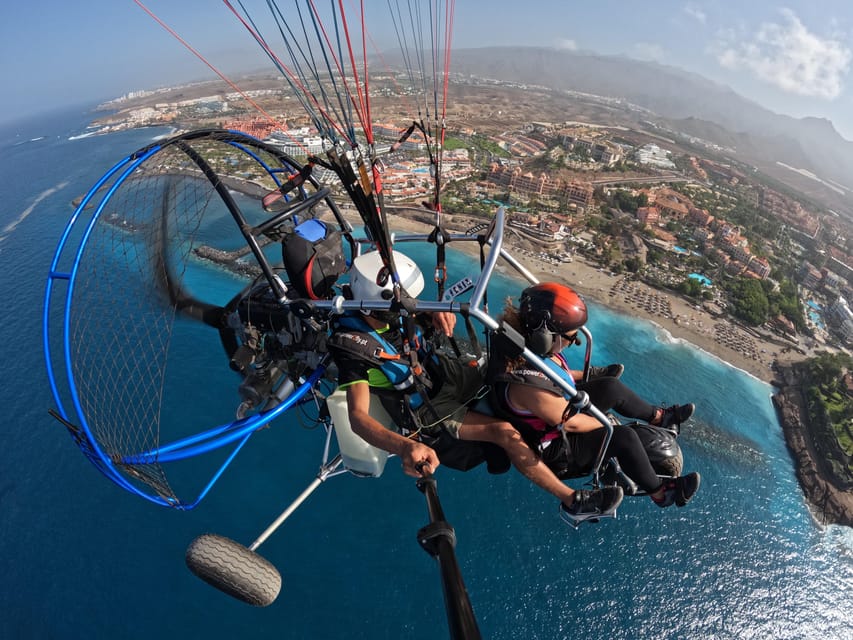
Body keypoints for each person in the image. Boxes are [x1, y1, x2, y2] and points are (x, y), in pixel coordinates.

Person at [328, 251, 624, 521]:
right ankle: (573, 502)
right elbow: (358, 418)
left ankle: (575, 375)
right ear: (381, 304)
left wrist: (431, 315)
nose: (408, 304)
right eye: (401, 301)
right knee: (504, 433)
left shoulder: (387, 309)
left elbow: (410, 317)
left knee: (503, 361)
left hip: (445, 372)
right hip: (430, 406)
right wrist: (404, 446)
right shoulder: (353, 348)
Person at [491, 282, 701, 513]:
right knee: (623, 437)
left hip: (561, 413)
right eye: (571, 338)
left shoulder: (530, 351)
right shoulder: (528, 388)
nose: (574, 343)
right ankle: (662, 492)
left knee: (610, 387)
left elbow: (557, 375)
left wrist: (591, 378)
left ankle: (661, 418)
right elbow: (570, 422)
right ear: (545, 336)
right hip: (559, 446)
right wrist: (608, 422)